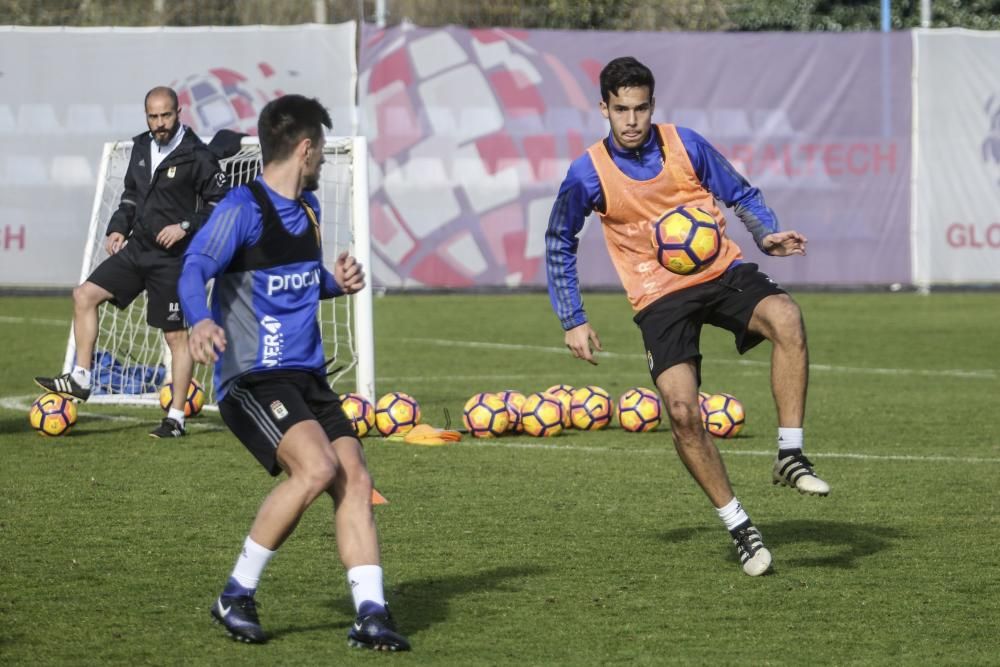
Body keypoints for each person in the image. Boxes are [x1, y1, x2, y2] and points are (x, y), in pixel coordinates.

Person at [545, 56, 830, 577]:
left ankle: (791, 454)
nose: (631, 121)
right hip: (658, 296)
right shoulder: (588, 173)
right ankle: (740, 525)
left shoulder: (686, 144)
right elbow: (559, 240)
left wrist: (765, 233)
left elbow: (739, 192)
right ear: (603, 109)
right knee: (681, 412)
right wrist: (573, 318)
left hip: (721, 272)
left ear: (653, 105)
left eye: (641, 108)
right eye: (620, 110)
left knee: (787, 317)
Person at [177, 94, 410, 650]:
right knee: (315, 468)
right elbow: (194, 268)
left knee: (354, 476)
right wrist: (201, 321)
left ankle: (371, 612)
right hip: (254, 378)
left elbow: (300, 280)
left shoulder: (308, 210)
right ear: (304, 149)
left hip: (307, 376)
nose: (324, 162)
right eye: (321, 152)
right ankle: (236, 593)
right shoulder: (242, 207)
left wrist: (336, 281)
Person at [34, 86, 228, 438]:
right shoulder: (140, 146)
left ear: (179, 112)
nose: (159, 123)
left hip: (173, 261)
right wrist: (117, 229)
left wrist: (184, 226)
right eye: (153, 117)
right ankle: (81, 376)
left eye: (165, 115)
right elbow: (130, 197)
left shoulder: (198, 155)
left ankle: (175, 419)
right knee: (83, 295)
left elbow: (220, 207)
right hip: (138, 249)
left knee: (175, 338)